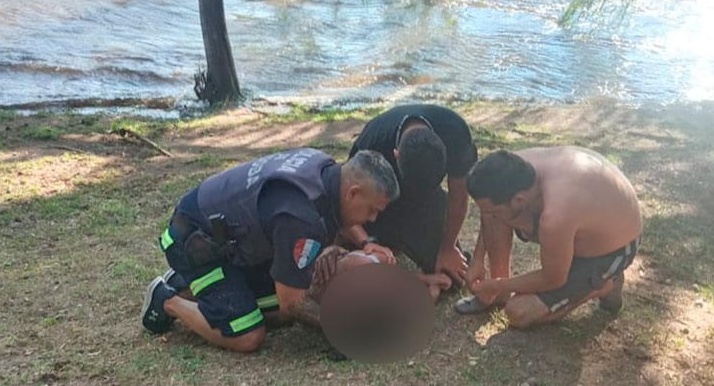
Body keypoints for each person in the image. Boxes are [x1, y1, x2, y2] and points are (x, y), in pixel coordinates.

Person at [140, 148, 399, 352]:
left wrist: (364, 244)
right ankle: (167, 299)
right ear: (353, 193)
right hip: (193, 242)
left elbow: (335, 221)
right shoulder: (301, 217)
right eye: (373, 210)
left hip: (228, 237)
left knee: (287, 297)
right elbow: (293, 303)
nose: (373, 219)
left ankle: (191, 284)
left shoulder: (326, 169)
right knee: (249, 336)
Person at [456, 146, 642, 328]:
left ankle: (606, 284)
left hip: (611, 248)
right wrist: (478, 260)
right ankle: (498, 294)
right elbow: (489, 211)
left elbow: (552, 279)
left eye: (492, 211)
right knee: (494, 211)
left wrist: (499, 285)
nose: (488, 214)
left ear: (520, 200)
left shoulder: (555, 215)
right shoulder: (511, 169)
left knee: (519, 312)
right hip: (581, 222)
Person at [344, 104, 478, 292]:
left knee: (452, 278)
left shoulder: (455, 132)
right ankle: (414, 276)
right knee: (355, 270)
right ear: (395, 155)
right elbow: (344, 203)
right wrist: (367, 242)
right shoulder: (373, 142)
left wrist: (448, 247)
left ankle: (424, 272)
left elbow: (459, 198)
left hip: (428, 203)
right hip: (382, 207)